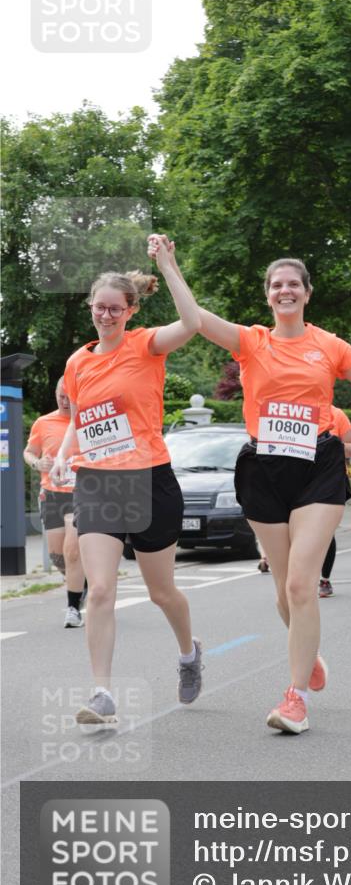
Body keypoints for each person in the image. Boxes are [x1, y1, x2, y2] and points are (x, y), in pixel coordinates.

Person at [194, 257, 351, 734]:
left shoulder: (329, 345)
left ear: (307, 293)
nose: (284, 290)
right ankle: (308, 656)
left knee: (299, 586)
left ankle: (296, 700)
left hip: (317, 467)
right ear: (268, 294)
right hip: (263, 468)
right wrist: (168, 266)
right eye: (276, 284)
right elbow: (196, 318)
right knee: (283, 590)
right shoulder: (251, 341)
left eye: (293, 284)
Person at [51, 235, 203, 726]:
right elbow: (81, 419)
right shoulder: (78, 361)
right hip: (97, 481)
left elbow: (193, 323)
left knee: (162, 592)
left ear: (131, 310)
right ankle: (102, 693)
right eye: (100, 307)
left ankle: (188, 653)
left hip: (149, 478)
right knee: (99, 590)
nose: (106, 315)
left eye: (115, 309)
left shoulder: (146, 345)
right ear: (91, 308)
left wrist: (169, 264)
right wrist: (63, 455)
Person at [24, 378, 86, 627]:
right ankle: (81, 584)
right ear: (56, 394)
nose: (65, 401)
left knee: (72, 551)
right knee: (57, 556)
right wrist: (37, 463)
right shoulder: (43, 422)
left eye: (69, 397)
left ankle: (73, 608)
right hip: (51, 493)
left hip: (79, 493)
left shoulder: (85, 422)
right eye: (61, 396)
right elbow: (29, 452)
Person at [319, 405, 351, 598]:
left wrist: (332, 446)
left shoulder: (336, 414)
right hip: (299, 479)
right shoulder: (293, 410)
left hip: (331, 480)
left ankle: (324, 579)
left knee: (325, 530)